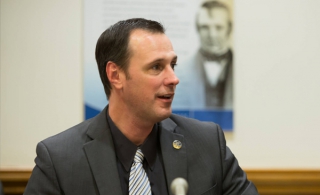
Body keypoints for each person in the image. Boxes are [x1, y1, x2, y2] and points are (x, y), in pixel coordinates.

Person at [24, 18, 258, 195]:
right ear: (116, 75)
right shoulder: (59, 160)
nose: (173, 78)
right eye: (156, 67)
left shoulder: (207, 143)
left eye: (172, 65)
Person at [173, 1, 233, 109]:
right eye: (205, 27)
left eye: (218, 27)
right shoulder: (180, 71)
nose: (212, 35)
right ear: (197, 29)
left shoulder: (245, 69)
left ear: (229, 29)